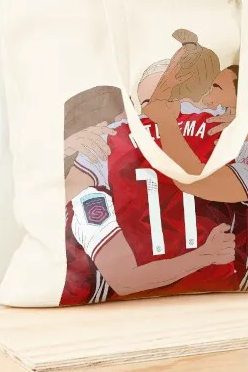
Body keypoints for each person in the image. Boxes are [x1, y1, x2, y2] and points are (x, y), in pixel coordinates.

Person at [60, 51, 236, 304]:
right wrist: (206, 255)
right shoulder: (89, 196)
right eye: (145, 106)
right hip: (107, 309)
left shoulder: (220, 138)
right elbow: (126, 280)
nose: (145, 123)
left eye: (174, 100)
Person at [143, 63, 248, 291]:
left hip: (240, 287)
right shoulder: (216, 130)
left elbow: (190, 179)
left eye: (216, 88)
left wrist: (166, 122)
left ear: (244, 100)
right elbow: (157, 108)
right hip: (201, 278)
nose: (207, 98)